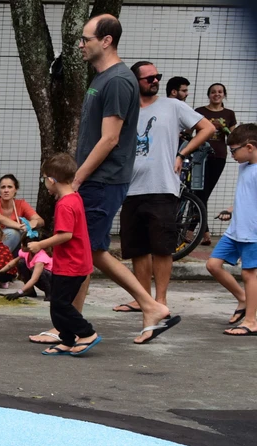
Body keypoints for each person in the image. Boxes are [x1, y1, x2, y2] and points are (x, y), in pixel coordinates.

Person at [66, 14, 178, 345]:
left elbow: (110, 139)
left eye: (85, 39)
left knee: (91, 249)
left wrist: (77, 178)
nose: (81, 45)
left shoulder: (116, 81)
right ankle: (71, 324)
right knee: (85, 250)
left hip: (102, 180)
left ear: (106, 41)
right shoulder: (102, 78)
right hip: (98, 179)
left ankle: (150, 306)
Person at [112, 61, 215, 313]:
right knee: (137, 248)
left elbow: (208, 128)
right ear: (135, 81)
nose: (154, 81)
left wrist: (183, 153)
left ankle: (161, 300)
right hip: (131, 188)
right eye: (148, 78)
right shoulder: (126, 110)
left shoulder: (173, 106)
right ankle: (142, 299)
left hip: (163, 187)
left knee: (161, 247)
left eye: (156, 76)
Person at [30, 153, 100, 356]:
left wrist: (39, 245)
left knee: (60, 304)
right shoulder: (74, 198)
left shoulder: (64, 205)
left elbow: (65, 235)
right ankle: (67, 340)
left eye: (45, 179)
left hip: (71, 265)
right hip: (76, 263)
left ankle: (86, 333)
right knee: (60, 305)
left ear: (51, 180)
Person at [206, 123, 257, 337]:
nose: (232, 155)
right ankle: (243, 299)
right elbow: (247, 197)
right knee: (213, 265)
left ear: (250, 147)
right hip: (235, 230)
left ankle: (252, 321)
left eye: (234, 150)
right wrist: (231, 209)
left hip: (252, 233)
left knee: (249, 274)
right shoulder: (244, 166)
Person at [195, 83, 238, 243]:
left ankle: (195, 232)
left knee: (203, 194)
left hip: (218, 156)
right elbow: (189, 130)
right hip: (199, 156)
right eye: (213, 92)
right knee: (198, 193)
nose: (216, 94)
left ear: (224, 95)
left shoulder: (229, 114)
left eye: (220, 92)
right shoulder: (200, 111)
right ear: (209, 95)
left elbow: (234, 138)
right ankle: (204, 234)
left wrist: (224, 128)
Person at [0, 174, 43, 253]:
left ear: (16, 189)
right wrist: (21, 227)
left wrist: (33, 223)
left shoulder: (21, 203)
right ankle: (1, 259)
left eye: (10, 187)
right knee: (13, 233)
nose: (6, 190)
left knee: (32, 236)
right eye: (3, 187)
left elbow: (41, 221)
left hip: (12, 247)